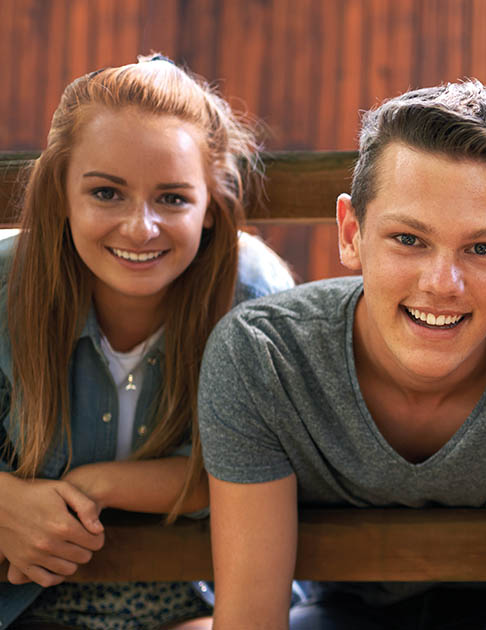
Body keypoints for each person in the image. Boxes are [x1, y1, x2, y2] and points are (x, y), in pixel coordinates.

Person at [197, 79, 486, 630]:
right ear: (351, 232)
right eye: (409, 239)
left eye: (481, 248)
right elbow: (252, 620)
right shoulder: (262, 355)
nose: (441, 283)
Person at [0, 55, 294, 630]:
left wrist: (97, 484)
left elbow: (264, 467)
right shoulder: (4, 287)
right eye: (107, 194)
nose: (140, 227)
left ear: (211, 206)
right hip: (21, 599)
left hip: (197, 601)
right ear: (61, 191)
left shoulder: (255, 295)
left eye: (173, 199)